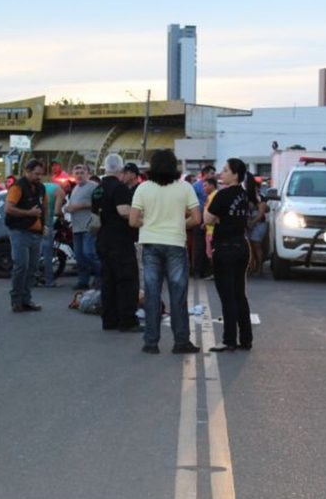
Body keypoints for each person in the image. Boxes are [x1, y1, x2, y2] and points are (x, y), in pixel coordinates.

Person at [129, 149, 201, 355]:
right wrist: (179, 224)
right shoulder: (185, 188)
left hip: (150, 244)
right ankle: (181, 342)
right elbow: (196, 219)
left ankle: (151, 343)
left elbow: (133, 220)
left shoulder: (143, 188)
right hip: (176, 245)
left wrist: (150, 224)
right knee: (178, 295)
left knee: (152, 294)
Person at [203, 158, 253, 352]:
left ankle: (229, 339)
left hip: (225, 249)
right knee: (240, 294)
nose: (220, 174)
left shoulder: (222, 195)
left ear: (235, 175)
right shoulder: (244, 194)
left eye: (225, 170)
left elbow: (208, 218)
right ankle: (246, 338)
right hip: (241, 246)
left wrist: (214, 212)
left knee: (227, 297)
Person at [94, 154, 140, 332]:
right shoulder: (120, 188)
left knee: (108, 281)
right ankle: (127, 321)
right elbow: (124, 212)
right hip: (120, 241)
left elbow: (96, 216)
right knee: (127, 281)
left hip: (103, 239)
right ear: (120, 170)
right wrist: (144, 220)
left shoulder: (97, 189)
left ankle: (109, 319)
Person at [5, 159, 46, 312]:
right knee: (21, 265)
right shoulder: (17, 187)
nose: (39, 177)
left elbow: (44, 208)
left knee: (33, 267)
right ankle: (16, 300)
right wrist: (29, 213)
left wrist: (45, 225)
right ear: (27, 171)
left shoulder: (40, 188)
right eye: (36, 174)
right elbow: (8, 209)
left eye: (41, 174)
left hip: (36, 233)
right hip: (20, 232)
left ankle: (26, 299)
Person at [64, 163, 101, 290]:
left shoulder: (93, 186)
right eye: (77, 173)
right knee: (79, 256)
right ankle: (83, 281)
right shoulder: (75, 189)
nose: (79, 175)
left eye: (82, 172)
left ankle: (101, 276)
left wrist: (79, 206)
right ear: (73, 175)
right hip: (77, 227)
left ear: (87, 174)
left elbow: (99, 203)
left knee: (89, 253)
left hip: (89, 226)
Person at [39, 174, 65, 287]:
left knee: (36, 252)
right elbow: (56, 211)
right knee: (47, 253)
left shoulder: (45, 186)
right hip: (46, 224)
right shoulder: (60, 191)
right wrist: (62, 216)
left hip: (34, 224)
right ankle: (49, 280)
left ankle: (34, 278)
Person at [245, 173, 268, 275]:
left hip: (259, 224)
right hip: (249, 223)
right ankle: (252, 267)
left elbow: (261, 213)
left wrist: (252, 222)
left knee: (257, 245)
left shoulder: (260, 197)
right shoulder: (246, 196)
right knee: (250, 246)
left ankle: (259, 268)